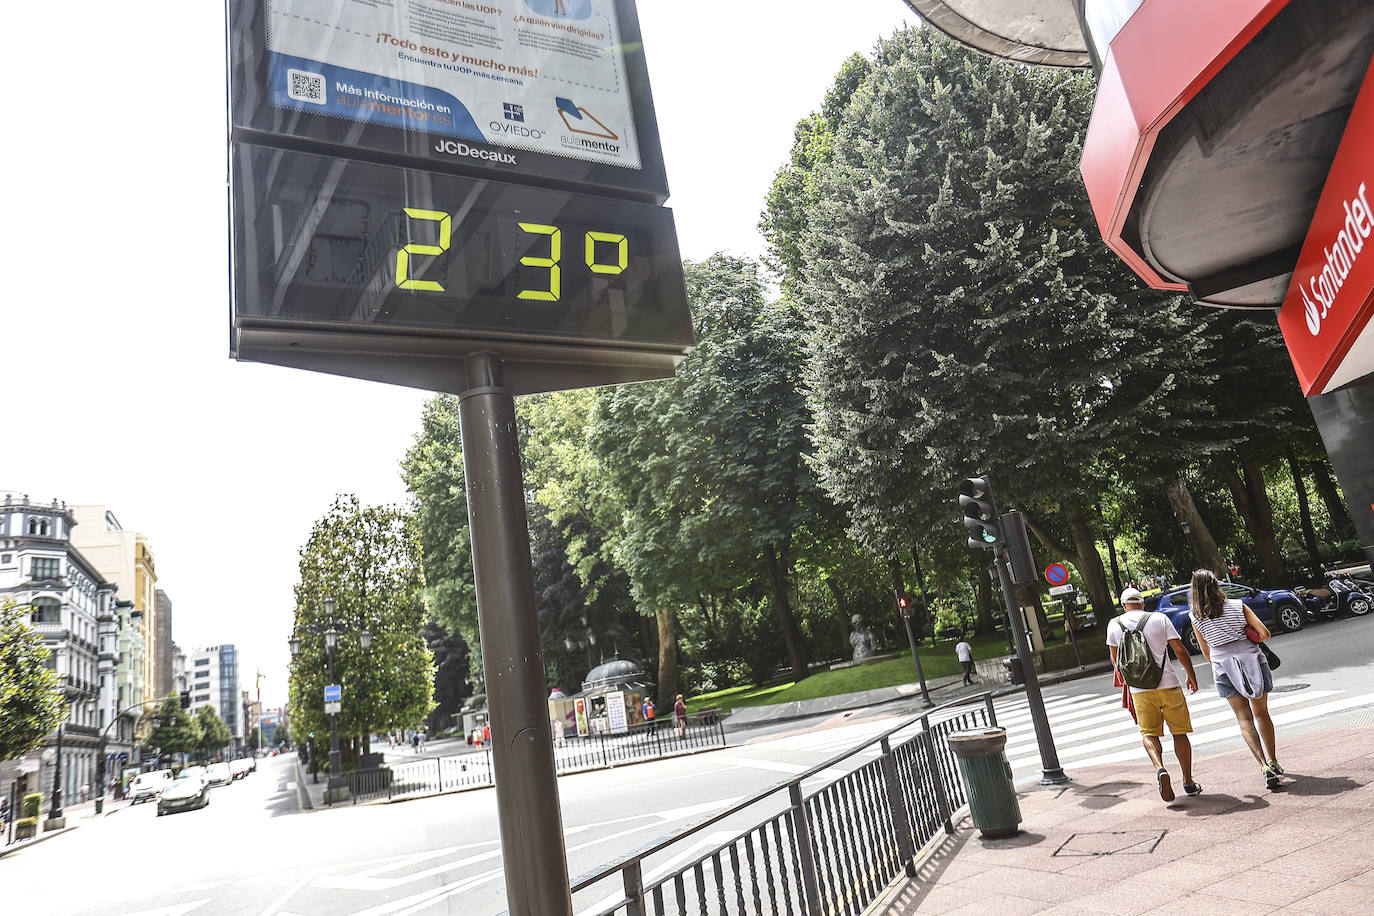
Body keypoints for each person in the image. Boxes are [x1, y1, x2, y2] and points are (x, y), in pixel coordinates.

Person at [1188, 568, 1284, 789]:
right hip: (1253, 662)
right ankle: (1273, 759)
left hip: (1223, 667)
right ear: (1216, 585)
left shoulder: (1195, 616)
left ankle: (1263, 766)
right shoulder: (1237, 606)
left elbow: (1206, 652)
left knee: (1244, 718)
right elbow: (1264, 634)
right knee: (1262, 713)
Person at [1106, 587, 1201, 801]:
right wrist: (1190, 675)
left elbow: (1115, 660)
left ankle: (1160, 768)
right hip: (1168, 684)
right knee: (1180, 733)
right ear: (1142, 603)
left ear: (1123, 606)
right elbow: (1179, 649)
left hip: (1140, 690)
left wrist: (1131, 682)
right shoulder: (1159, 618)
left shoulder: (1114, 624)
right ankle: (1188, 780)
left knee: (1148, 734)